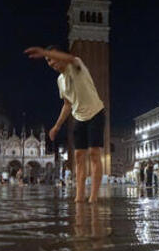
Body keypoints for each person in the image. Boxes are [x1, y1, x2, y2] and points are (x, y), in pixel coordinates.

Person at [25, 45, 106, 203]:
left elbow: (69, 58)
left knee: (94, 154)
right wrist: (57, 126)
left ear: (59, 55)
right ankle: (79, 195)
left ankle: (93, 197)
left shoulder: (76, 65)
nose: (49, 63)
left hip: (96, 113)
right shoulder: (60, 80)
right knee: (78, 156)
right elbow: (67, 104)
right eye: (47, 60)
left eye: (51, 58)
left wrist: (44, 53)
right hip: (79, 117)